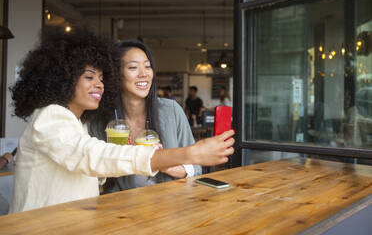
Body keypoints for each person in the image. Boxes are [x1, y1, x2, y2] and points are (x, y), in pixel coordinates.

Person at [9, 28, 235, 213]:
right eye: (89, 77)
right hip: (41, 225)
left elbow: (92, 173)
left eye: (101, 78)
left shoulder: (80, 122)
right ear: (63, 79)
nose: (99, 84)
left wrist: (172, 163)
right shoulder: (50, 117)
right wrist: (184, 154)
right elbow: (91, 156)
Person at [89, 40, 201, 192]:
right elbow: (96, 174)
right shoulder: (102, 120)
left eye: (148, 66)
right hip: (120, 209)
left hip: (168, 206)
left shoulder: (171, 111)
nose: (144, 74)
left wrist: (163, 163)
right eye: (133, 67)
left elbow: (196, 166)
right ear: (116, 74)